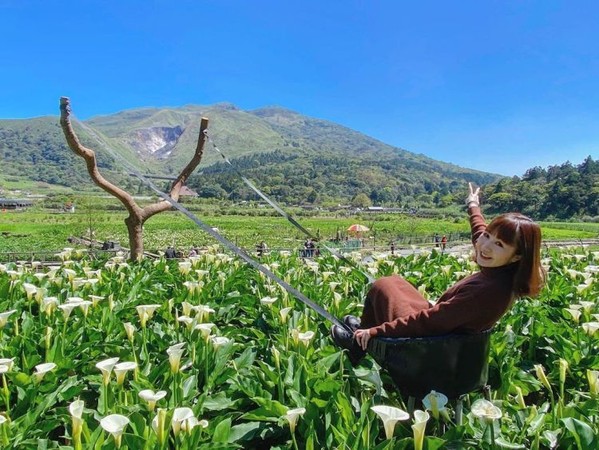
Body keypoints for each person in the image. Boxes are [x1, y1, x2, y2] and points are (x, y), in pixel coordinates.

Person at [331, 183, 545, 365]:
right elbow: (480, 234)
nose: (485, 246)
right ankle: (363, 334)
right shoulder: (502, 272)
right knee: (395, 283)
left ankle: (360, 343)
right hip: (445, 333)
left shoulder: (490, 291)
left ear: (517, 255)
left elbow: (431, 321)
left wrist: (377, 332)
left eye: (498, 244)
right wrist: (473, 205)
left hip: (432, 347)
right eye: (488, 236)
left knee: (383, 286)